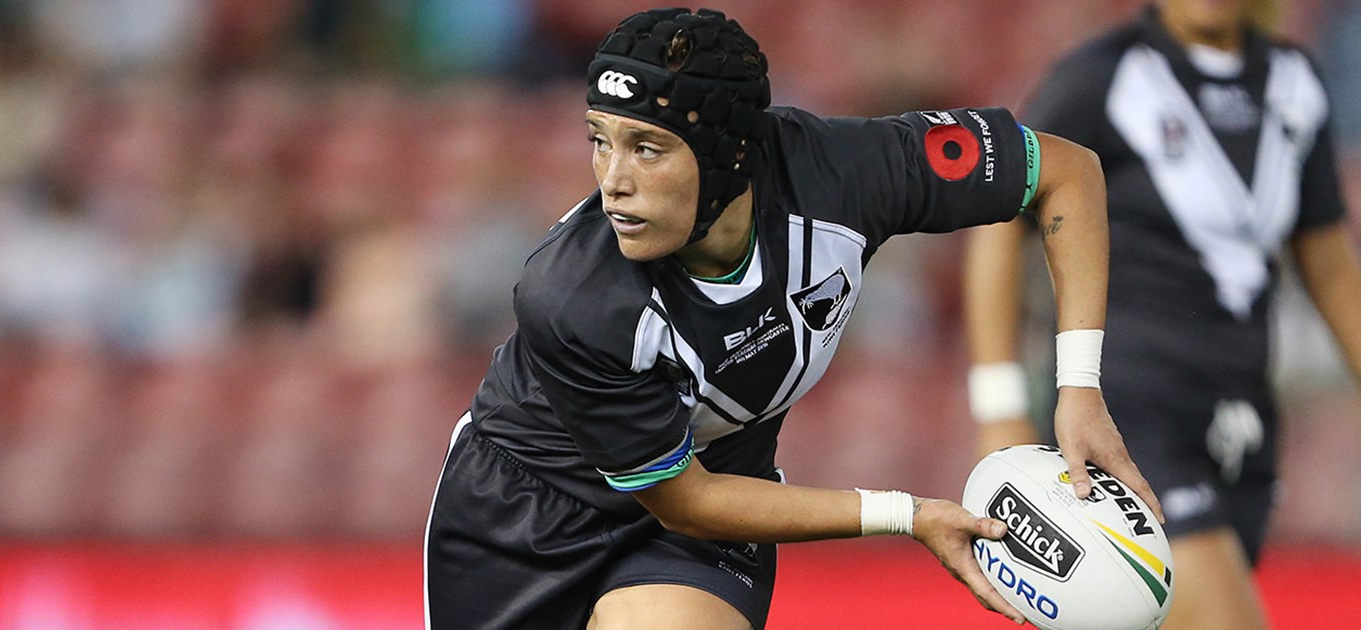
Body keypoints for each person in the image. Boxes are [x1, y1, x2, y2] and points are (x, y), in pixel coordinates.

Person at [423, 7, 1162, 629]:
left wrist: (1079, 388)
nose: (612, 181)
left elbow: (1067, 172)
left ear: (729, 154)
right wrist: (907, 514)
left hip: (709, 507)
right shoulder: (572, 296)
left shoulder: (847, 174)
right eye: (599, 140)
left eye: (646, 148)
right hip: (523, 516)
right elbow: (684, 500)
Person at [963, 2, 1361, 629]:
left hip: (1242, 415)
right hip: (1128, 412)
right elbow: (998, 222)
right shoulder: (1103, 75)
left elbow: (1323, 244)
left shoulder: (1295, 81)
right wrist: (997, 403)